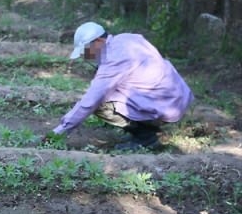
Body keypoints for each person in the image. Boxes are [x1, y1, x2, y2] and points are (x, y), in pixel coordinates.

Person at [47, 22, 194, 151]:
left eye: (86, 51)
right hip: (176, 96)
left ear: (98, 42)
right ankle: (147, 128)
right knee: (110, 93)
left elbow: (90, 101)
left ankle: (146, 137)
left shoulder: (113, 60)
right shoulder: (126, 38)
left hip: (165, 103)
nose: (86, 56)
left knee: (101, 105)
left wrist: (61, 130)